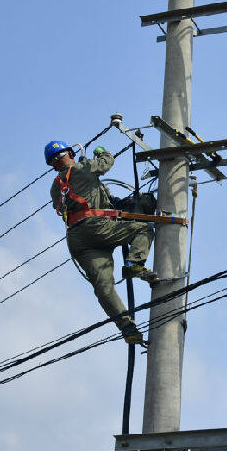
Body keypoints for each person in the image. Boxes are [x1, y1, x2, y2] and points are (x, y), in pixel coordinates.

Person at [45, 140, 156, 345]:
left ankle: (127, 328)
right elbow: (106, 162)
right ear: (69, 153)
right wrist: (102, 151)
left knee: (104, 288)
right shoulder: (82, 168)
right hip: (95, 226)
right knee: (143, 229)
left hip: (77, 239)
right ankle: (134, 264)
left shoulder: (55, 187)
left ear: (53, 164)